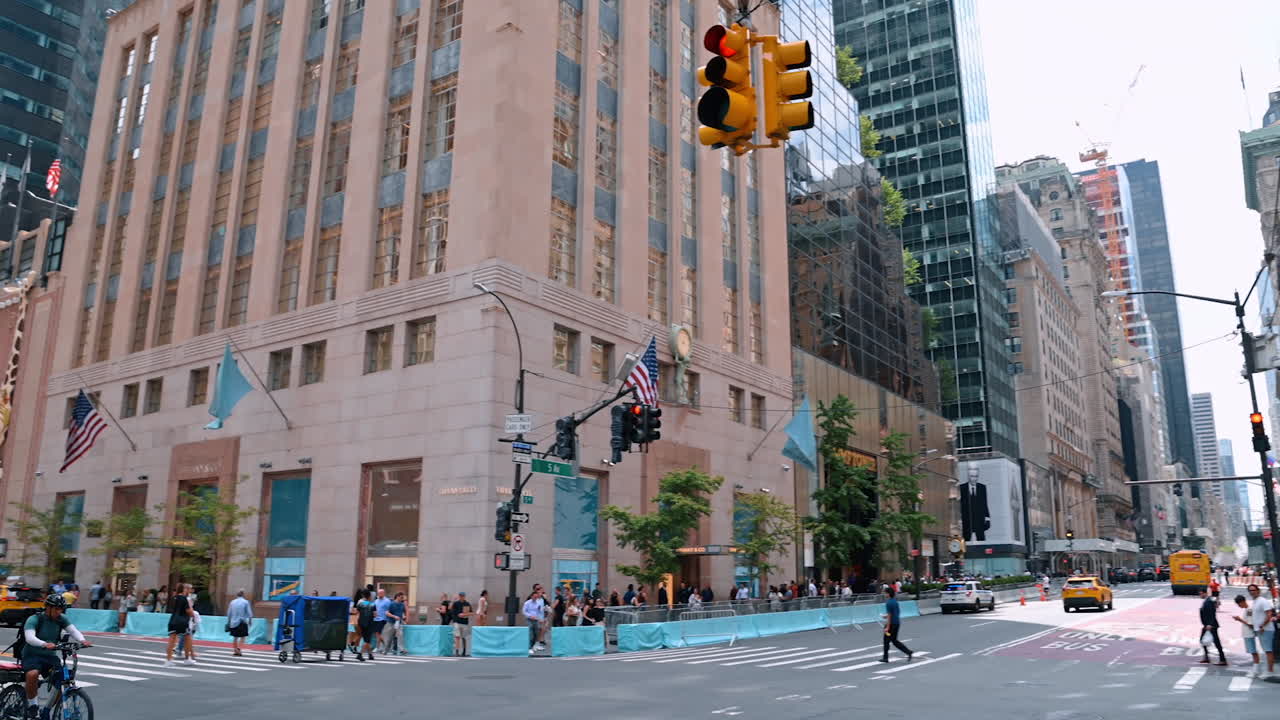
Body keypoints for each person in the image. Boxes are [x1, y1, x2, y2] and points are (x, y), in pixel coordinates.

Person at [20, 594, 90, 719]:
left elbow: (73, 630)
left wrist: (82, 640)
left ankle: (46, 710)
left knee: (63, 681)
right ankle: (33, 706)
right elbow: (30, 638)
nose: (59, 612)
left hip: (50, 657)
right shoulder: (35, 619)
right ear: (48, 607)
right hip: (32, 655)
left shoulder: (61, 619)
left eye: (61, 609)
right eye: (57, 609)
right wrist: (44, 644)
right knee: (32, 674)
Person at [1236, 584, 1276, 678]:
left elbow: (1269, 614)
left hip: (1265, 629)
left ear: (1258, 590)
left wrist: (1262, 625)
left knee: (1268, 650)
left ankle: (1269, 672)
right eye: (1250, 590)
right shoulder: (1255, 602)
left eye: (1254, 590)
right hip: (1260, 629)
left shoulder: (1262, 601)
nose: (1252, 592)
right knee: (1266, 650)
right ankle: (1267, 670)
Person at [880, 587, 913, 664]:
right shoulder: (895, 601)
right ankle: (908, 652)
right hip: (897, 623)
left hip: (891, 624)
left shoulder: (888, 603)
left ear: (888, 594)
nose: (884, 594)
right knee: (894, 640)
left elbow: (890, 615)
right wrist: (886, 616)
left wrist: (887, 627)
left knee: (886, 641)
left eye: (885, 593)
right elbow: (894, 613)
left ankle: (885, 657)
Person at [164, 583, 194, 667]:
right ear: (183, 589)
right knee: (187, 639)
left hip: (173, 620)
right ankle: (187, 659)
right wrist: (193, 615)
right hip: (182, 621)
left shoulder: (173, 598)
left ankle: (168, 660)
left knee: (171, 641)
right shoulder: (183, 598)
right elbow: (188, 610)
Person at [1197, 587, 1227, 666]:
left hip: (1211, 625)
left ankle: (1222, 659)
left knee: (1216, 642)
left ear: (1204, 593)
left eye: (1200, 594)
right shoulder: (1207, 601)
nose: (1200, 595)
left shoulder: (1209, 601)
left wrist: (1210, 624)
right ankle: (1207, 657)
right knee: (1202, 640)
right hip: (1207, 625)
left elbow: (1212, 613)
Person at [226, 589, 253, 657]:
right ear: (243, 594)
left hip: (233, 622)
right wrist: (250, 620)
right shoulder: (245, 602)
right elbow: (249, 613)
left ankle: (235, 650)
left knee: (235, 637)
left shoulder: (232, 602)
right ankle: (239, 648)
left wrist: (229, 621)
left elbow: (229, 613)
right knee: (243, 636)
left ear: (236, 594)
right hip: (242, 621)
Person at [354, 589, 376, 662]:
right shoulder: (373, 604)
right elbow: (375, 615)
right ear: (369, 596)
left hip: (361, 622)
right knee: (367, 640)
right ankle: (360, 654)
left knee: (366, 639)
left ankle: (370, 655)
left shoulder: (360, 604)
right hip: (369, 623)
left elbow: (356, 612)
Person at [523, 588, 546, 654]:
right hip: (529, 619)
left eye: (536, 597)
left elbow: (539, 612)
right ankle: (529, 647)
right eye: (534, 597)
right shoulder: (527, 603)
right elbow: (524, 611)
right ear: (531, 596)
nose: (536, 598)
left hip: (536, 620)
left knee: (536, 634)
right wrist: (530, 616)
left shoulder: (537, 603)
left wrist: (540, 619)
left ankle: (533, 646)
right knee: (531, 633)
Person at [450, 592, 473, 657]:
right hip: (456, 622)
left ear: (464, 596)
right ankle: (457, 652)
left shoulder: (467, 604)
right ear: (459, 596)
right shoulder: (455, 603)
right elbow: (450, 609)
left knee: (464, 637)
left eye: (462, 596)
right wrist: (453, 600)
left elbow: (471, 613)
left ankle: (464, 651)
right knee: (457, 637)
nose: (461, 597)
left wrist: (464, 614)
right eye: (460, 596)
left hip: (464, 622)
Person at [371, 588, 391, 654]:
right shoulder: (376, 601)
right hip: (375, 619)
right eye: (378, 593)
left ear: (384, 593)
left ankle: (378, 647)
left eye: (381, 593)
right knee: (377, 634)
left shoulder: (387, 601)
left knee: (378, 633)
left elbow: (390, 610)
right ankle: (385, 646)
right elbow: (374, 609)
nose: (379, 594)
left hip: (383, 619)